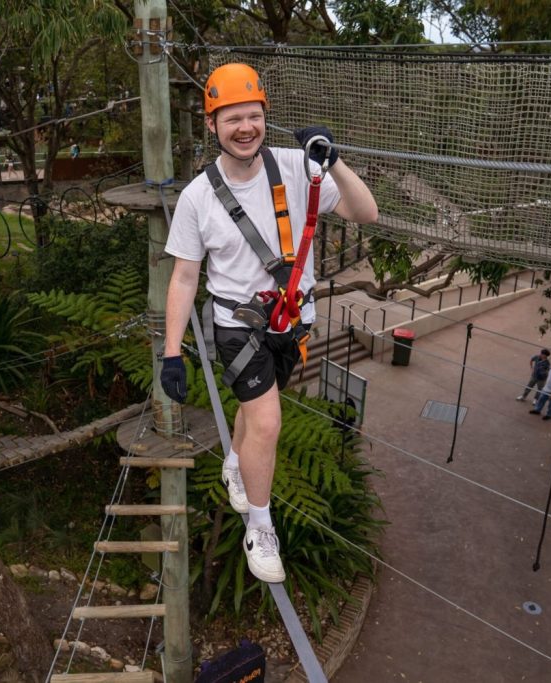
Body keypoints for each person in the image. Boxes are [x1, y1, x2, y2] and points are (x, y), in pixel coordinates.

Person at [159, 63, 378, 584]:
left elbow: (365, 212)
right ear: (212, 124)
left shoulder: (298, 168)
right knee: (267, 422)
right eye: (232, 118)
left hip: (291, 322)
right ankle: (260, 528)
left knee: (255, 410)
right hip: (237, 324)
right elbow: (184, 278)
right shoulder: (197, 197)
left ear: (265, 117)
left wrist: (334, 161)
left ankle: (236, 462)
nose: (245, 128)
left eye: (253, 116)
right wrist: (171, 352)